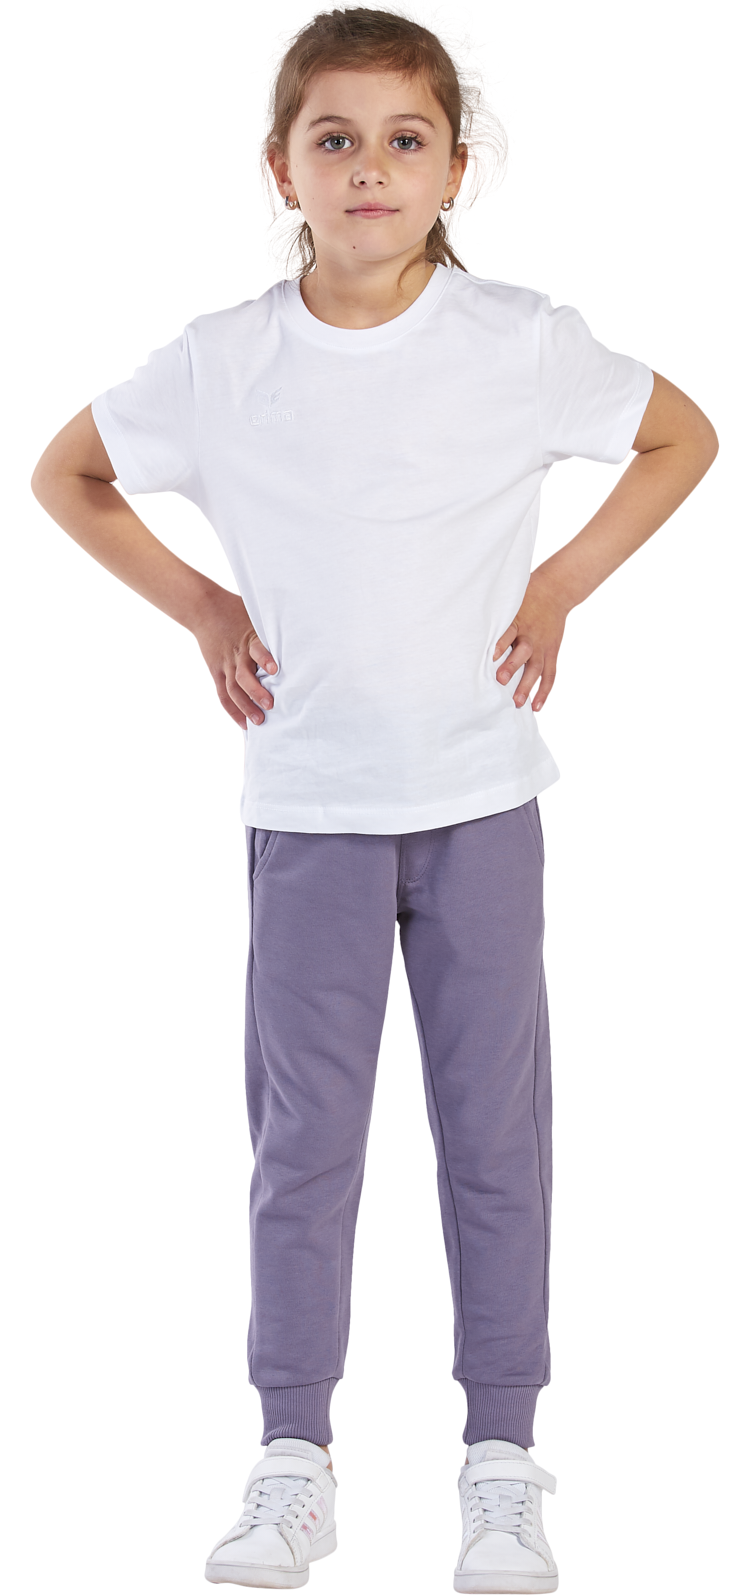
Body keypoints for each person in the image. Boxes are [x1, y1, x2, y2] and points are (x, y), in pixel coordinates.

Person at [30, 7, 718, 1592]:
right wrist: (203, 608)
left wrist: (559, 583)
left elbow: (680, 437)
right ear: (280, 168)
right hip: (309, 813)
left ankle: (500, 1460)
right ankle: (293, 1458)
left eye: (405, 139)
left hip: (479, 806)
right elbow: (66, 472)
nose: (369, 166)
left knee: (494, 1140)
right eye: (332, 137)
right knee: (303, 1148)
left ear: (453, 168)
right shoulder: (222, 362)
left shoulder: (516, 341)